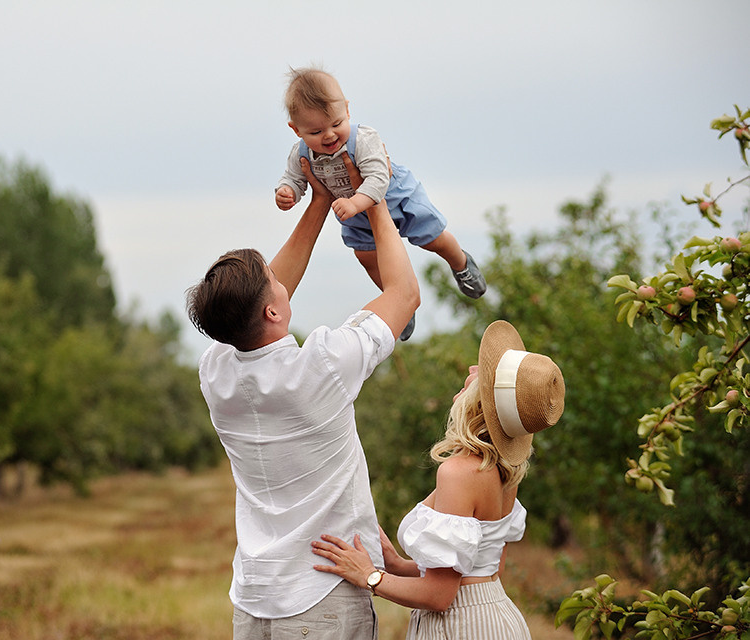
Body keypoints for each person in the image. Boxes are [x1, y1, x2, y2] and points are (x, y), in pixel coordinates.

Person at [185, 151, 419, 639]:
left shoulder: (216, 376)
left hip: (255, 594)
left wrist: (319, 200)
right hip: (323, 592)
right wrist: (372, 197)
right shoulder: (322, 365)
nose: (279, 277)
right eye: (272, 281)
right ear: (272, 312)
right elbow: (404, 293)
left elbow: (256, 305)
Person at [310, 320, 565, 640]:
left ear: (480, 402)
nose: (470, 372)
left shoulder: (459, 473)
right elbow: (484, 569)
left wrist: (369, 576)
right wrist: (397, 564)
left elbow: (439, 596)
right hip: (494, 616)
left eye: (479, 379)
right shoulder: (504, 471)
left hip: (464, 626)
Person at [275, 67, 486, 341]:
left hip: (396, 197)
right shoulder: (301, 153)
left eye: (336, 124)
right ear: (296, 130)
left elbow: (378, 176)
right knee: (366, 256)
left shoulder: (363, 139)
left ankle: (460, 262)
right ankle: (397, 301)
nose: (329, 135)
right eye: (316, 131)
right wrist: (287, 191)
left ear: (347, 111)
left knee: (432, 239)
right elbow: (294, 177)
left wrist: (355, 203)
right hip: (354, 214)